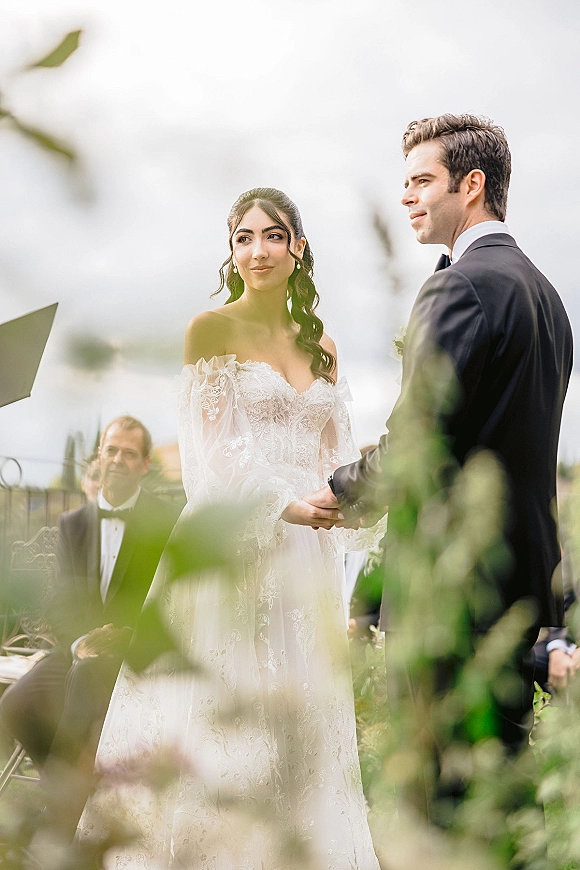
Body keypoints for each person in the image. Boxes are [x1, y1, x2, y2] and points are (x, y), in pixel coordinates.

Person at [77, 188, 382, 869]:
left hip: (308, 560)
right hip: (237, 550)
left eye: (272, 236)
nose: (256, 251)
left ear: (298, 248)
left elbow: (339, 447)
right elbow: (214, 459)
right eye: (242, 238)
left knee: (300, 728)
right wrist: (290, 506)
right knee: (228, 727)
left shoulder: (324, 347)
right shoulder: (210, 331)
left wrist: (346, 501)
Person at [305, 114, 573, 755]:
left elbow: (421, 437)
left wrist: (345, 490)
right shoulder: (548, 297)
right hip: (518, 596)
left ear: (471, 184)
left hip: (448, 595)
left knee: (434, 801)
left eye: (422, 180)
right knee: (494, 790)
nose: (405, 197)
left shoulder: (457, 286)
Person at [0, 416, 178, 828]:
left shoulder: (166, 520)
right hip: (78, 648)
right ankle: (75, 792)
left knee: (85, 682)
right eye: (111, 450)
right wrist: (79, 641)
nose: (117, 460)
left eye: (128, 453)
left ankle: (63, 821)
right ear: (99, 455)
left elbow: (172, 595)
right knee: (16, 705)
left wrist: (128, 635)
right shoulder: (72, 523)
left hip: (131, 653)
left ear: (145, 464)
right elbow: (62, 601)